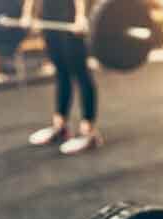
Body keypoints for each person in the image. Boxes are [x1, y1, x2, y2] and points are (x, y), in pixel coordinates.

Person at [23, 0, 103, 155]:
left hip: (69, 16)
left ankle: (89, 132)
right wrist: (27, 14)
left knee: (80, 72)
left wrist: (80, 16)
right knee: (61, 71)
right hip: (48, 16)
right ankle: (61, 126)